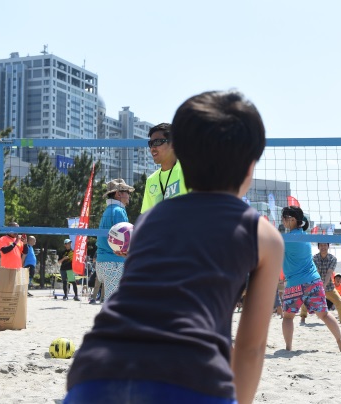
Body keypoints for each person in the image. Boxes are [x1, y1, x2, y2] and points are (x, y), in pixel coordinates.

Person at [66, 90, 285, 404]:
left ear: (180, 154)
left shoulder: (147, 223)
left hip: (93, 372)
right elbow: (251, 349)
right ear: (251, 165)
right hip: (190, 378)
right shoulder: (263, 236)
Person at [280, 205, 341, 352]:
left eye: (284, 218)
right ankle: (340, 340)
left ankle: (288, 347)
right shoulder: (306, 236)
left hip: (294, 284)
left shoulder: (286, 239)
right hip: (313, 281)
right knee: (324, 314)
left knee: (288, 317)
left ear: (292, 219)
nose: (282, 221)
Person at [95, 178, 134, 298]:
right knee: (115, 303)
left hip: (102, 262)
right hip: (114, 262)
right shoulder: (119, 211)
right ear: (118, 194)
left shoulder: (108, 210)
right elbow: (124, 240)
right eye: (127, 192)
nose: (129, 195)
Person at [141, 123, 189, 213]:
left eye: (157, 142)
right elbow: (147, 215)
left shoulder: (188, 171)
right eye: (150, 143)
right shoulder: (151, 180)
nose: (152, 148)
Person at [299, 243, 341, 325]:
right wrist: (319, 285)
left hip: (329, 286)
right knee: (306, 299)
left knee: (340, 303)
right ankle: (303, 318)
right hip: (316, 285)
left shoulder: (333, 258)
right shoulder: (314, 258)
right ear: (318, 247)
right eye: (321, 245)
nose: (323, 247)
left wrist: (324, 285)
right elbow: (316, 273)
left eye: (325, 245)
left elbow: (329, 273)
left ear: (328, 246)